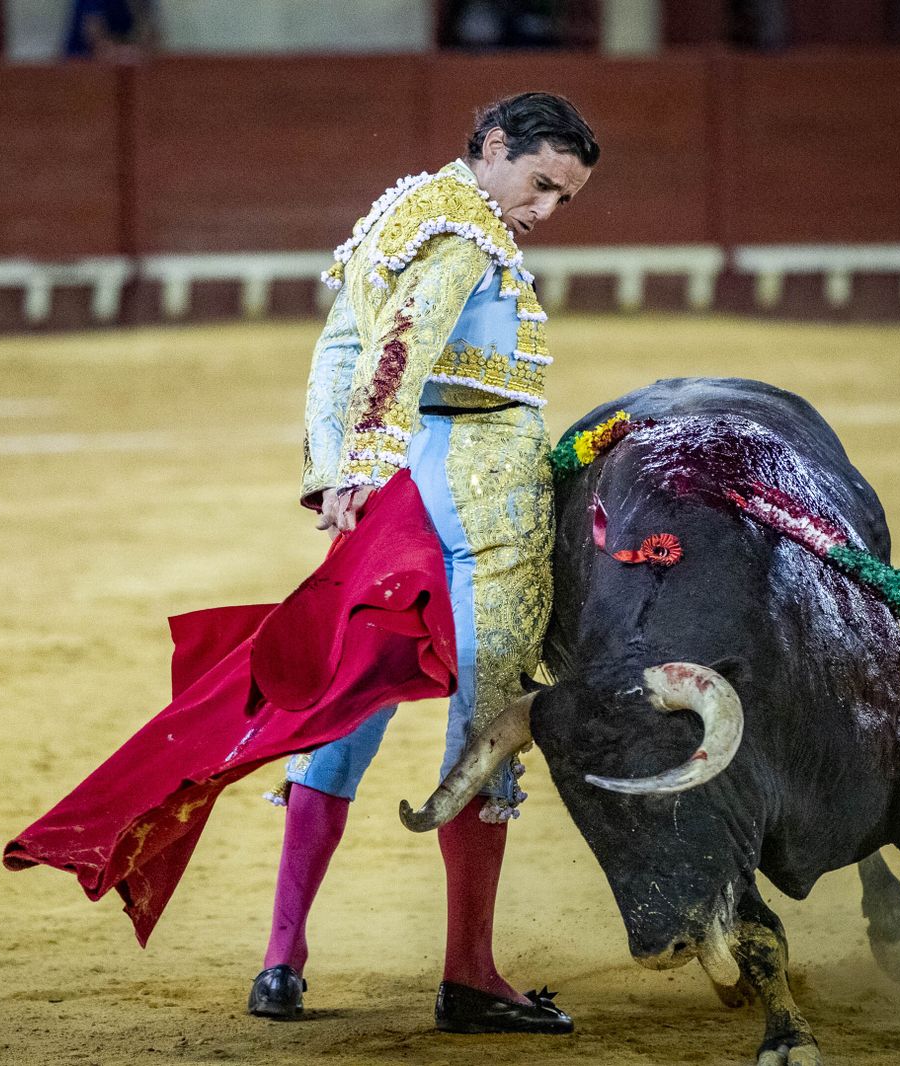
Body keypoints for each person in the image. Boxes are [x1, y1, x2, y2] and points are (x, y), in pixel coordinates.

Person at [249, 92, 598, 1034]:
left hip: (399, 502)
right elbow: (396, 357)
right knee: (485, 720)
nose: (547, 211)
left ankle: (282, 959)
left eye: (566, 197)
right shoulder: (463, 233)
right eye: (541, 183)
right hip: (478, 501)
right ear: (492, 148)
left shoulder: (408, 209)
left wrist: (341, 474)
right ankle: (470, 974)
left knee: (348, 707)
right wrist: (357, 463)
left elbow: (342, 349)